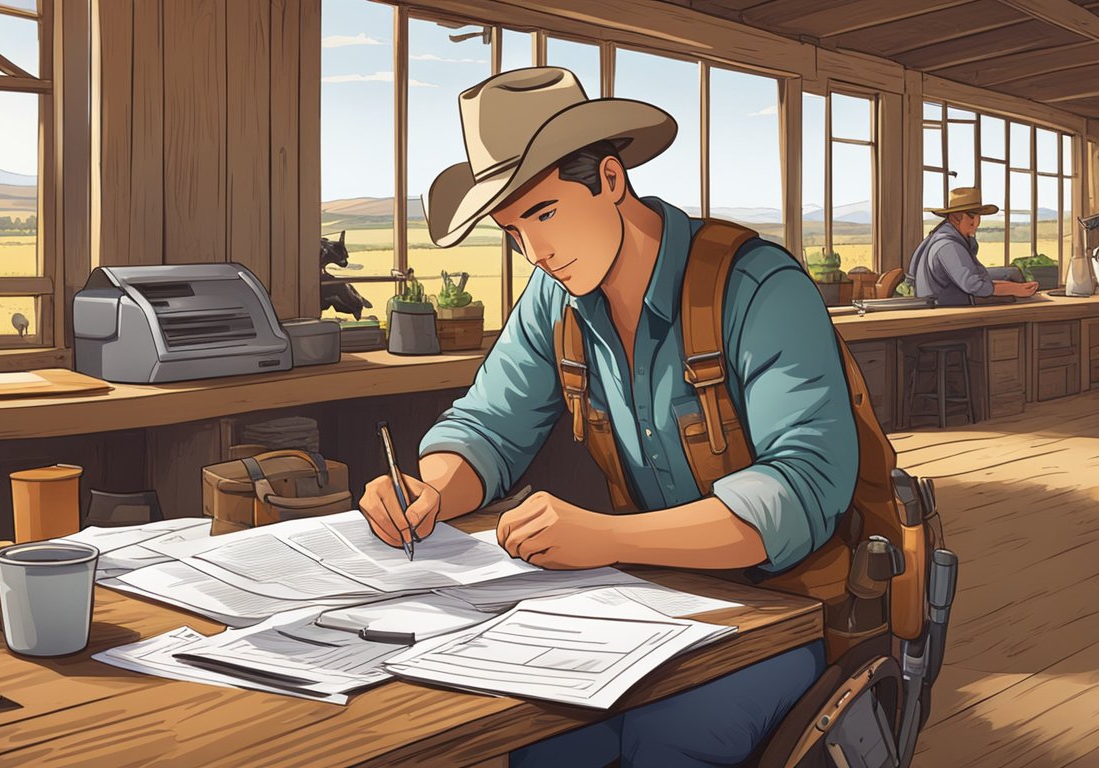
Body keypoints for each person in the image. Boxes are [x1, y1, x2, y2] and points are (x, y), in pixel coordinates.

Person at [357, 67, 850, 767]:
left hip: (783, 608)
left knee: (668, 741)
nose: (537, 252)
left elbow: (799, 490)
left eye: (546, 214)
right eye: (514, 232)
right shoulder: (553, 301)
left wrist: (609, 539)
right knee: (541, 738)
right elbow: (490, 426)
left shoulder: (757, 287)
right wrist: (432, 488)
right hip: (643, 603)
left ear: (612, 180)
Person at [909, 187, 1039, 305]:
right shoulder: (948, 246)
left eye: (978, 217)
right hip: (944, 307)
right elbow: (974, 285)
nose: (976, 223)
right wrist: (1016, 289)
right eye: (972, 217)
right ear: (955, 218)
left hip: (948, 299)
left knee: (1012, 274)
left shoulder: (945, 238)